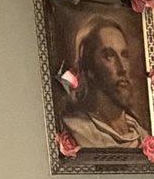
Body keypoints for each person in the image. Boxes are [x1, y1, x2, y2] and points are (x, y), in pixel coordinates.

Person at [59, 13, 148, 149]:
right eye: (109, 56)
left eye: (124, 55)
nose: (122, 68)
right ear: (89, 67)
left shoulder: (142, 135)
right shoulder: (78, 131)